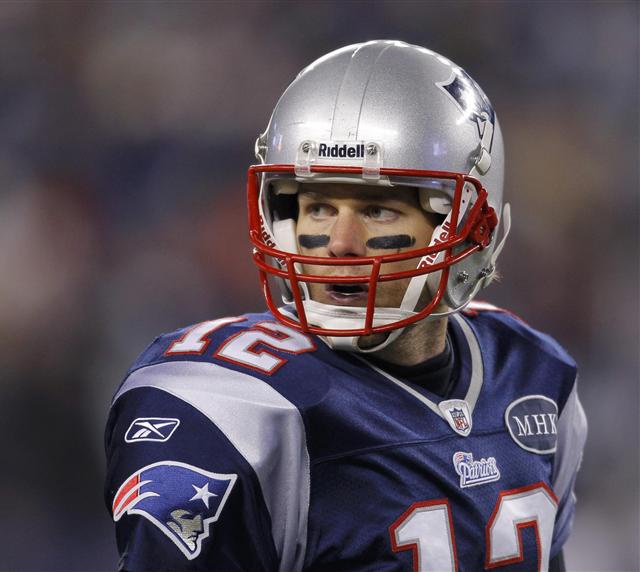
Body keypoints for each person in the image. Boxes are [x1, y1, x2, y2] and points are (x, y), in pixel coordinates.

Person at [104, 40, 587, 571]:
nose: (340, 241)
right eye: (318, 206)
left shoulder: (529, 371)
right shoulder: (230, 406)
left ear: (473, 226)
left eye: (378, 209)